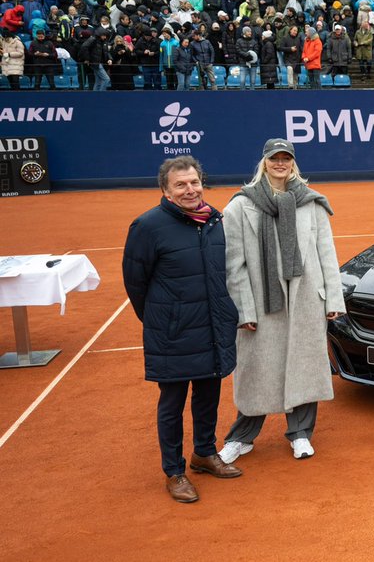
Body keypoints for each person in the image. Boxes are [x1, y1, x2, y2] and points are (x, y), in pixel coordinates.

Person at [122, 156, 242, 504]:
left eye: (194, 182)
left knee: (208, 394)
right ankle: (174, 471)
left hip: (212, 326)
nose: (190, 190)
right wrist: (164, 319)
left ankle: (204, 453)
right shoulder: (147, 226)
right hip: (172, 331)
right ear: (166, 191)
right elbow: (135, 282)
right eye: (181, 185)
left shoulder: (215, 220)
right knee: (172, 402)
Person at [218, 139, 346, 463]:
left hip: (305, 300)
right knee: (257, 371)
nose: (280, 163)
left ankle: (300, 434)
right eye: (274, 158)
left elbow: (326, 253)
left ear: (293, 162)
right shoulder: (239, 206)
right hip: (262, 303)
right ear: (264, 162)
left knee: (303, 367)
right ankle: (241, 438)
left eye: (285, 157)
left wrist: (333, 297)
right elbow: (233, 266)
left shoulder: (311, 203)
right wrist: (243, 308)